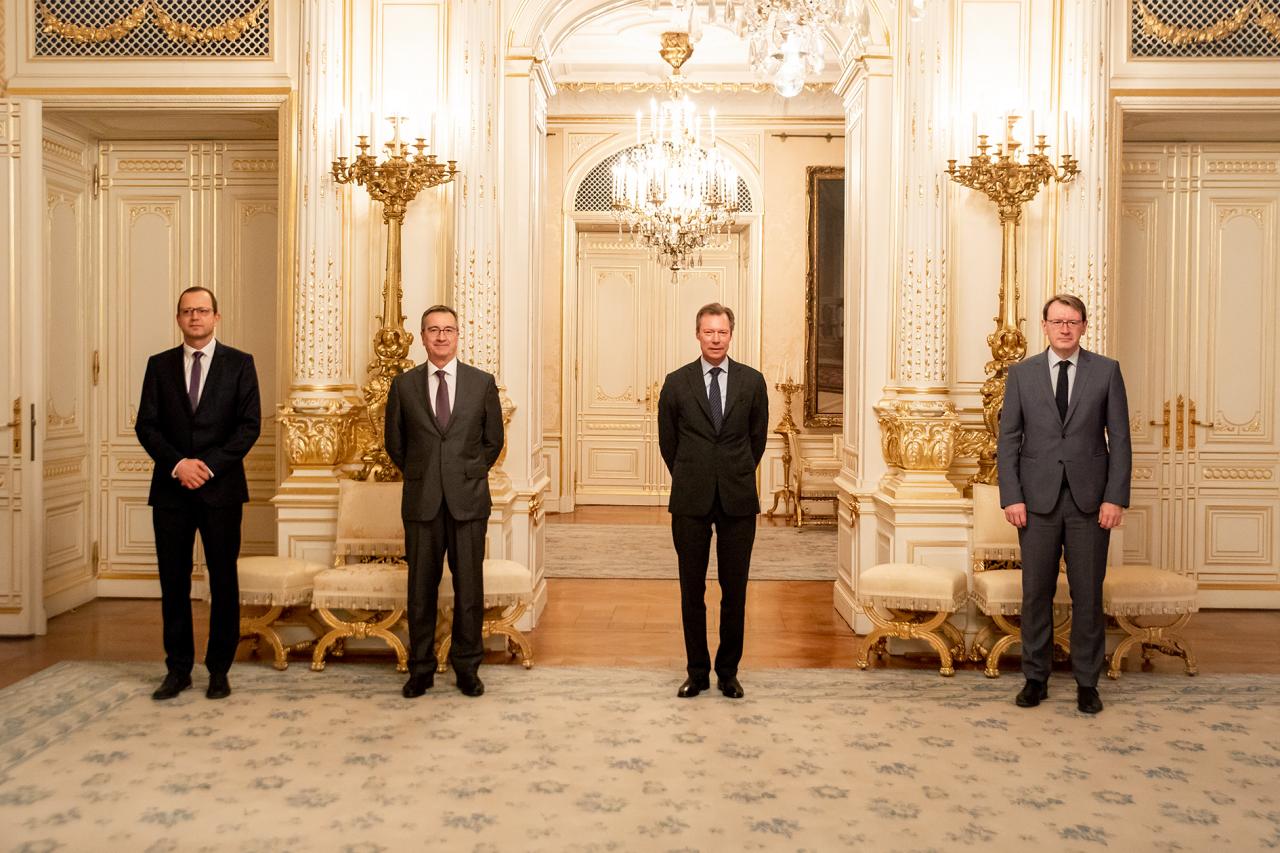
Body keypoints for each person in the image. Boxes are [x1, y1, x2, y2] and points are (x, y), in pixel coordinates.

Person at [996, 294, 1131, 714]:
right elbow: (1008, 441)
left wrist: (1115, 497)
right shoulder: (1021, 374)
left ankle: (1087, 682)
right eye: (1058, 321)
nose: (1065, 328)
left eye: (1073, 321)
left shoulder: (1107, 372)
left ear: (1084, 326)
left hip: (1091, 503)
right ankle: (1036, 678)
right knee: (1035, 592)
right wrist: (1012, 496)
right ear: (1045, 326)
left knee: (1088, 595)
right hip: (1035, 502)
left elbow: (1121, 440)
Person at [135, 286, 261, 701]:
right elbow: (147, 426)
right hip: (171, 491)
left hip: (221, 490)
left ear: (216, 317)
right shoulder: (159, 366)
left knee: (224, 582)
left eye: (202, 311)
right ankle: (178, 670)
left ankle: (219, 670)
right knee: (173, 583)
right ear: (178, 319)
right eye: (188, 311)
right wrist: (178, 465)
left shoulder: (240, 364)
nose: (195, 317)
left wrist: (207, 467)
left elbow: (249, 425)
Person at [385, 305, 504, 699]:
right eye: (433, 330)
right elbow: (395, 445)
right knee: (421, 589)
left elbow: (493, 442)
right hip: (422, 501)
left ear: (458, 335)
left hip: (468, 500)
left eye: (448, 330)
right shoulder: (403, 386)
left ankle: (467, 667)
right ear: (422, 337)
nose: (440, 337)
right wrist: (427, 475)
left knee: (469, 589)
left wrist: (464, 472)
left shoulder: (481, 383)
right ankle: (420, 669)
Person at [658, 303, 769, 700]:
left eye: (722, 332)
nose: (716, 339)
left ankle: (728, 672)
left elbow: (757, 440)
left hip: (738, 498)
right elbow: (667, 442)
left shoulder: (753, 382)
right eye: (709, 332)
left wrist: (732, 471)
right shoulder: (676, 383)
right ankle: (697, 672)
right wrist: (694, 473)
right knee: (692, 590)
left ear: (731, 334)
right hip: (690, 498)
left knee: (734, 589)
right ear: (698, 334)